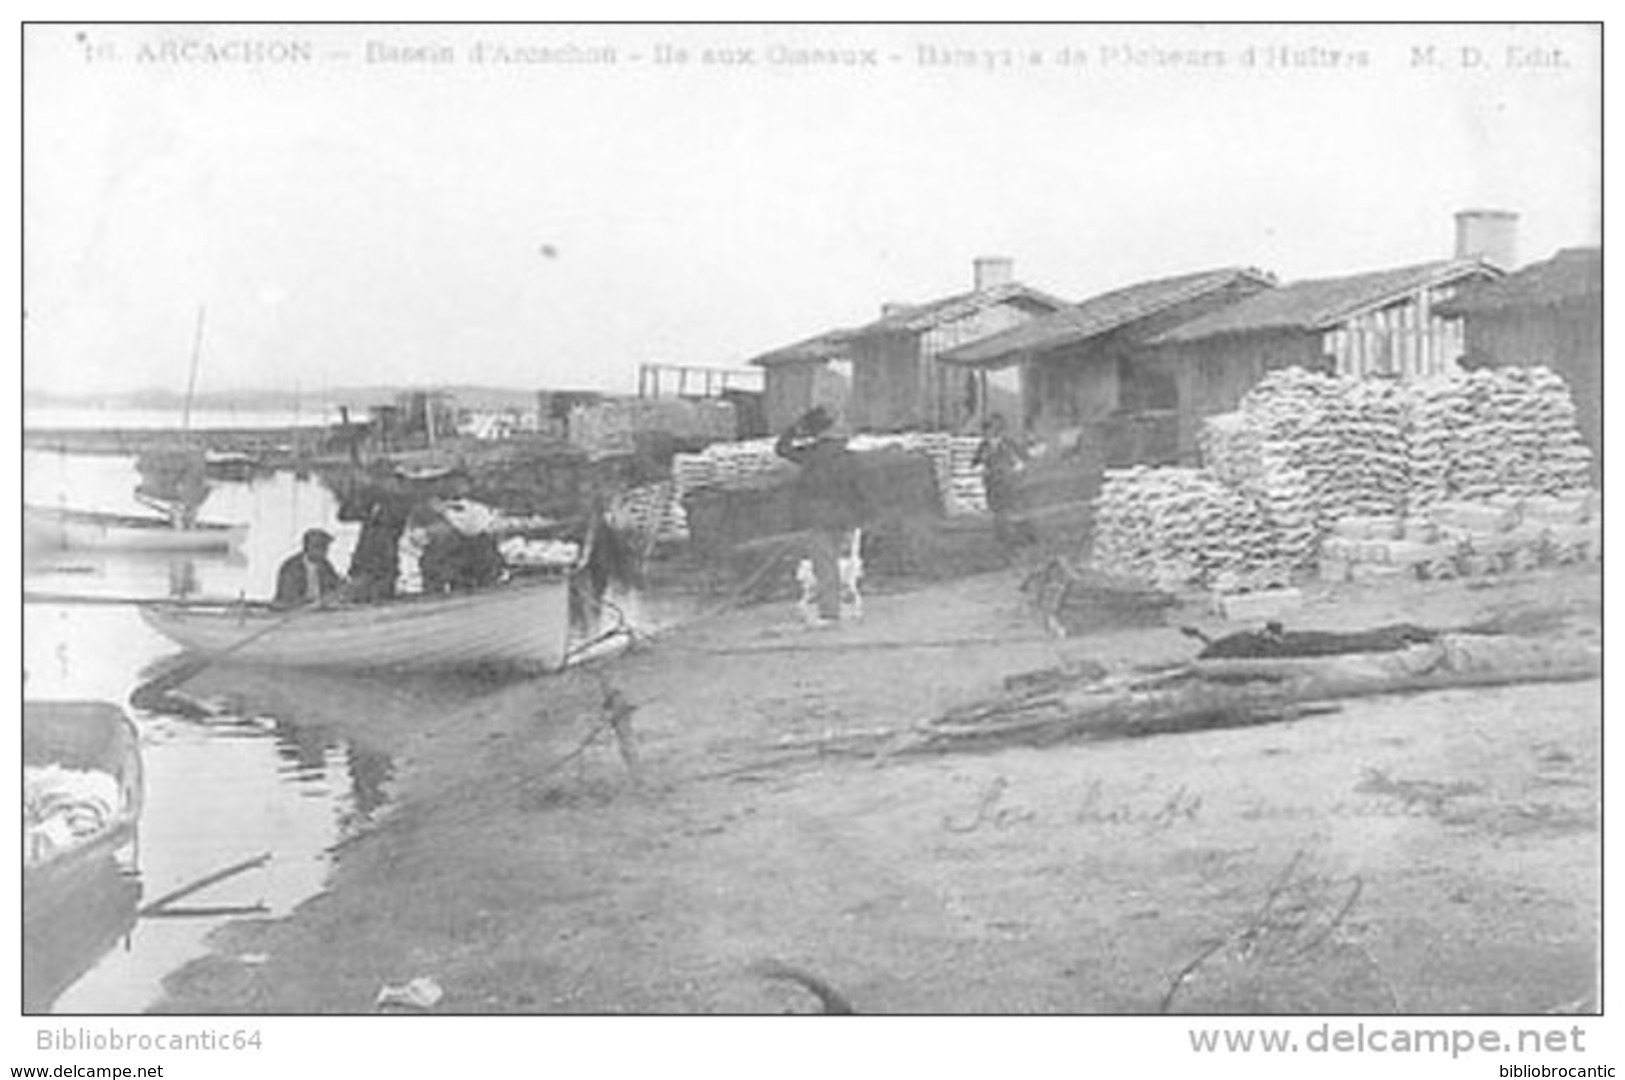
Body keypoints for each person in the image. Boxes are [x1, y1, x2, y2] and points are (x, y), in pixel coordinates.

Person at [775, 406, 866, 626]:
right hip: (843, 516)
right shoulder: (849, 458)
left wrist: (795, 429)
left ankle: (830, 613)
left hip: (818, 516)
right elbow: (858, 490)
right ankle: (845, 606)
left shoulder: (812, 455)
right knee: (837, 563)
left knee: (824, 565)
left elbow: (782, 449)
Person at [973, 413, 1032, 547]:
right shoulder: (984, 446)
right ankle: (1001, 535)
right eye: (986, 431)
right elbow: (976, 463)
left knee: (1010, 509)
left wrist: (1016, 469)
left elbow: (1021, 461)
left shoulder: (1008, 445)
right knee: (997, 509)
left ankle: (1017, 536)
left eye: (991, 431)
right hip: (992, 483)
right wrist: (981, 468)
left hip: (1007, 482)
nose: (988, 435)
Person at [273, 528, 344, 608]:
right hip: (293, 612)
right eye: (318, 547)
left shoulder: (325, 565)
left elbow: (335, 585)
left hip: (318, 612)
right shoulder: (291, 567)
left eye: (325, 548)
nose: (324, 552)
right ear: (308, 547)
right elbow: (288, 598)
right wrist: (313, 601)